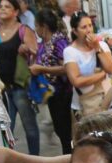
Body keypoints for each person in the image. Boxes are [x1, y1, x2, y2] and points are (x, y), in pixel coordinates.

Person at [0, 0, 41, 155]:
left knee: (30, 128)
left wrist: (27, 50)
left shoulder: (23, 30)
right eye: (1, 6)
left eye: (7, 6)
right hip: (1, 88)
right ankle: (8, 162)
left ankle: (35, 161)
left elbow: (37, 53)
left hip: (20, 87)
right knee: (6, 128)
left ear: (15, 12)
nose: (2, 9)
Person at [31, 8, 74, 153]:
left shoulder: (59, 42)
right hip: (52, 94)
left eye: (36, 25)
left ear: (44, 26)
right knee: (60, 129)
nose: (35, 29)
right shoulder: (43, 43)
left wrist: (42, 69)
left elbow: (66, 68)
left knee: (65, 132)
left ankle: (69, 161)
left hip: (63, 94)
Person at [65, 11, 112, 121]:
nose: (89, 30)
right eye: (83, 27)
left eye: (90, 25)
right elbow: (76, 81)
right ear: (75, 31)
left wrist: (97, 47)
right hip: (84, 105)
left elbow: (111, 69)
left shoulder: (101, 45)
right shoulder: (70, 51)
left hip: (106, 100)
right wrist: (102, 74)